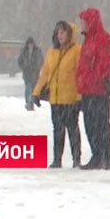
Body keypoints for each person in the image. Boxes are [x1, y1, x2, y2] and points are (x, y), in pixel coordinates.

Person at [32, 22, 83, 168]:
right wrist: (37, 92)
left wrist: (80, 96)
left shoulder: (77, 51)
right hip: (55, 98)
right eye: (58, 32)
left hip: (70, 98)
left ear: (70, 34)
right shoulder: (52, 52)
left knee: (72, 128)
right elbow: (45, 74)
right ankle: (57, 159)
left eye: (63, 32)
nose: (60, 36)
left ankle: (76, 158)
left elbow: (79, 74)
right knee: (57, 128)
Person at [76, 8, 110, 170]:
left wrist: (93, 79)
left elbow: (103, 64)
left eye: (84, 22)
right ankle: (97, 154)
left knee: (100, 123)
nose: (82, 25)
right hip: (87, 89)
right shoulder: (88, 39)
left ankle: (105, 154)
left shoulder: (103, 39)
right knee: (90, 124)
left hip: (98, 90)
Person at [17, 37, 43, 111]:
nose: (30, 45)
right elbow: (19, 61)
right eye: (29, 44)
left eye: (31, 44)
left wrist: (37, 67)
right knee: (28, 88)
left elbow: (41, 60)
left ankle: (31, 103)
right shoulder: (24, 51)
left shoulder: (37, 51)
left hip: (35, 73)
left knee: (33, 89)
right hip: (27, 73)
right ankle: (28, 102)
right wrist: (24, 67)